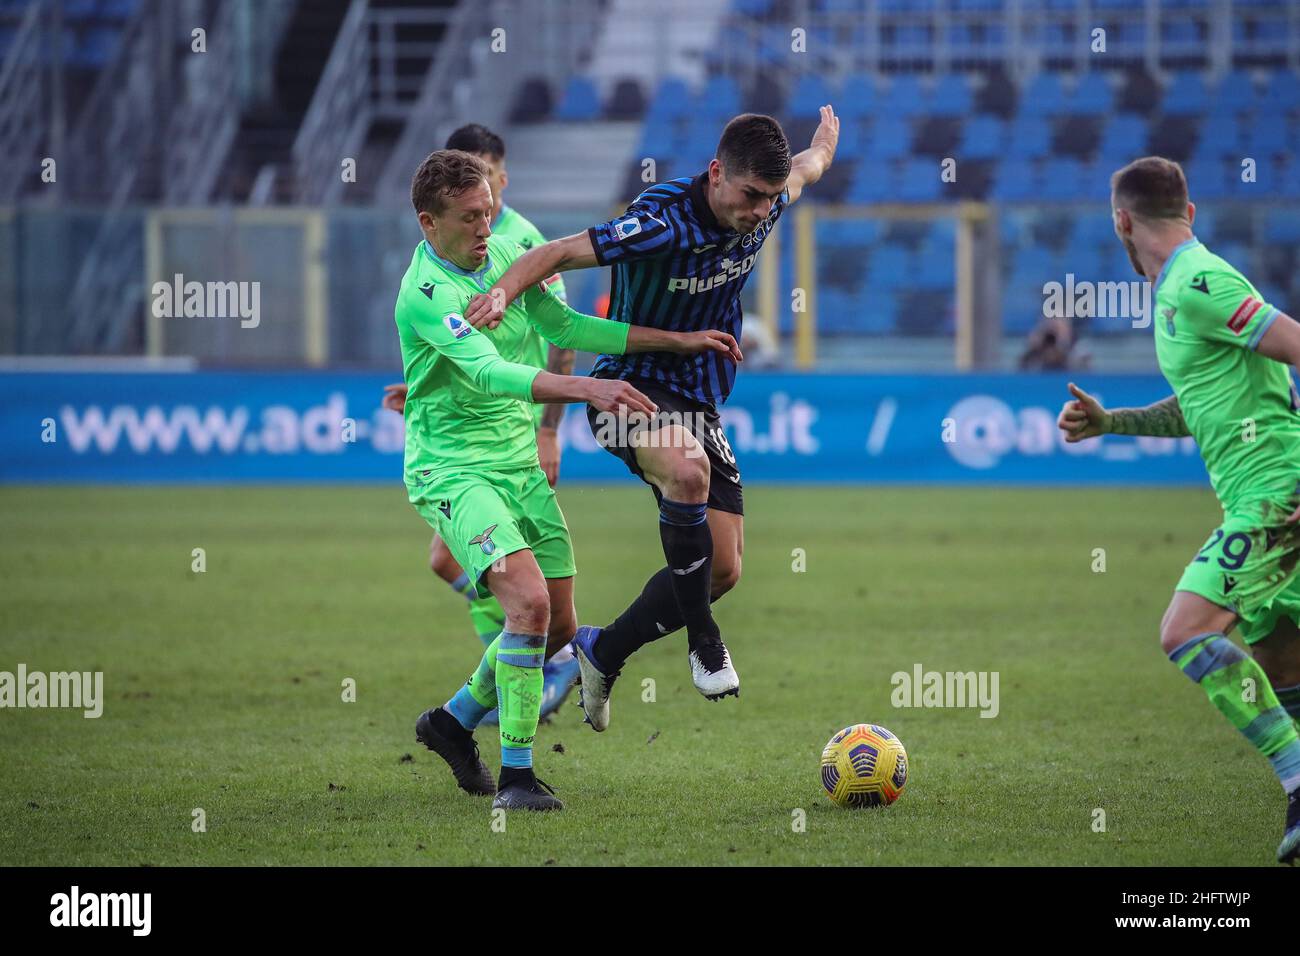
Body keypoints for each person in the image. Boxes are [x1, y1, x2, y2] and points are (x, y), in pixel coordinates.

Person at [463, 108, 840, 731]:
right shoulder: (660, 221)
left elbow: (809, 167)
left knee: (723, 568)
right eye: (749, 195)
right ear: (717, 173)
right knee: (688, 475)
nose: (759, 210)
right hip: (622, 387)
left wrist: (825, 141)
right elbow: (557, 252)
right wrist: (502, 292)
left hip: (696, 399)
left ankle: (602, 650)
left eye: (770, 199)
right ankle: (704, 638)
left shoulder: (768, 200)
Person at [397, 149, 741, 809]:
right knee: (526, 602)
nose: (485, 230)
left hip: (517, 463)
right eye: (470, 219)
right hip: (455, 469)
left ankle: (450, 722)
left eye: (489, 214)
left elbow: (562, 324)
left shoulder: (499, 256)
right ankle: (518, 780)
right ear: (427, 223)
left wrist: (676, 341)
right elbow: (490, 371)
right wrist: (588, 385)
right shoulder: (426, 293)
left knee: (556, 627)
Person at [1058, 156, 1300, 863]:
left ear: (1122, 222)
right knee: (1281, 658)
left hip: (1278, 494)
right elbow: (1201, 406)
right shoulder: (1179, 292)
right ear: (1188, 213)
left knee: (1185, 632)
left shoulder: (1199, 281)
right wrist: (1115, 423)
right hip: (1264, 489)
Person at [383, 124, 580, 722]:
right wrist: (426, 388)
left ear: (501, 175)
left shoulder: (517, 241)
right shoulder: (441, 262)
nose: (482, 212)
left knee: (536, 605)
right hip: (465, 449)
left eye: (487, 175)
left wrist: (551, 428)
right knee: (471, 573)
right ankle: (514, 675)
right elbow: (469, 355)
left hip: (516, 433)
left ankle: (495, 688)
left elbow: (561, 335)